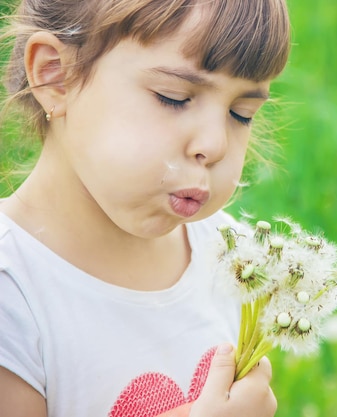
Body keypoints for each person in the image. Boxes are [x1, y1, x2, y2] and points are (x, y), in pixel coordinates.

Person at [0, 0, 291, 416]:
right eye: (174, 97)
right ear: (56, 76)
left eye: (240, 114)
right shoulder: (12, 290)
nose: (215, 144)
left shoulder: (232, 258)